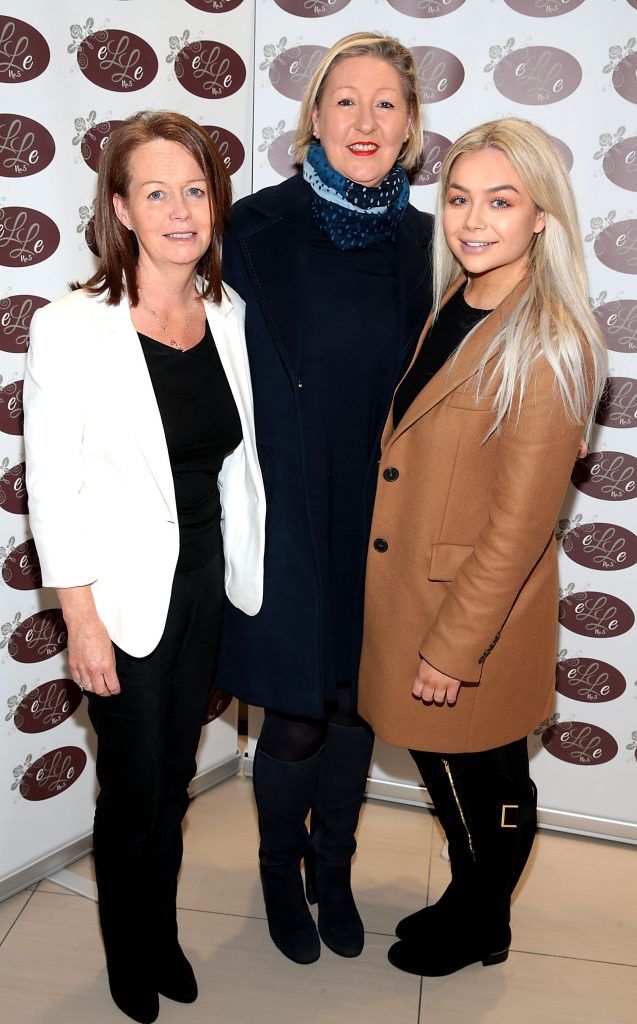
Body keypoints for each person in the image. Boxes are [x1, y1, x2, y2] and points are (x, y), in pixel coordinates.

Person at [23, 111, 265, 1023]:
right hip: (120, 602)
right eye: (155, 191)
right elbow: (50, 488)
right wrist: (80, 619)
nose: (178, 209)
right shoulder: (71, 328)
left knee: (173, 777)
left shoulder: (228, 313)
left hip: (206, 587)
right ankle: (127, 947)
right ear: (119, 208)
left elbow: (237, 466)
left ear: (215, 202)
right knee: (131, 783)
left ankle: (159, 930)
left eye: (194, 190)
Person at [358, 117, 607, 977]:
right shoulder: (456, 304)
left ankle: (479, 920)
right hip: (414, 593)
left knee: (490, 781)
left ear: (540, 214)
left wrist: (454, 646)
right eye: (458, 199)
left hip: (470, 611)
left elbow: (520, 521)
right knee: (447, 772)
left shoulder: (550, 340)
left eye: (500, 201)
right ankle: (474, 900)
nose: (472, 221)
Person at [217, 33, 433, 964]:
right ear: (313, 116)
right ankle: (276, 873)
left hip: (386, 522)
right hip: (286, 514)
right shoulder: (250, 230)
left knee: (357, 708)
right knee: (297, 712)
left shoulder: (434, 245)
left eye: (385, 104)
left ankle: (332, 870)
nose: (363, 120)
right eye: (344, 100)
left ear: (411, 129)